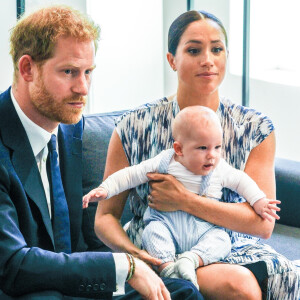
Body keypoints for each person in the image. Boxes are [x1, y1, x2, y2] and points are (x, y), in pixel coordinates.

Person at [0, 5, 203, 300]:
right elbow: (13, 265)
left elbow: (75, 245)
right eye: (68, 72)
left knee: (181, 293)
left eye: (88, 72)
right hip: (24, 290)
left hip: (71, 285)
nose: (83, 88)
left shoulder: (68, 129)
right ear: (27, 68)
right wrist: (124, 266)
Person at [94, 10, 300, 300]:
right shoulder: (133, 126)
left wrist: (185, 200)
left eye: (217, 49)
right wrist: (134, 257)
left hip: (228, 244)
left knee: (269, 280)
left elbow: (262, 224)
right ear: (172, 60)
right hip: (155, 243)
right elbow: (105, 218)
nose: (208, 59)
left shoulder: (254, 128)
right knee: (240, 287)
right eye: (194, 50)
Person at [84, 106, 281, 289]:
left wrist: (259, 201)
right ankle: (167, 268)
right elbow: (130, 174)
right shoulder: (166, 161)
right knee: (152, 233)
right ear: (179, 149)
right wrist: (105, 189)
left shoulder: (219, 169)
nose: (211, 155)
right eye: (202, 148)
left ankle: (191, 259)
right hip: (166, 223)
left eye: (217, 147)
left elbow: (242, 182)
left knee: (221, 239)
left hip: (204, 227)